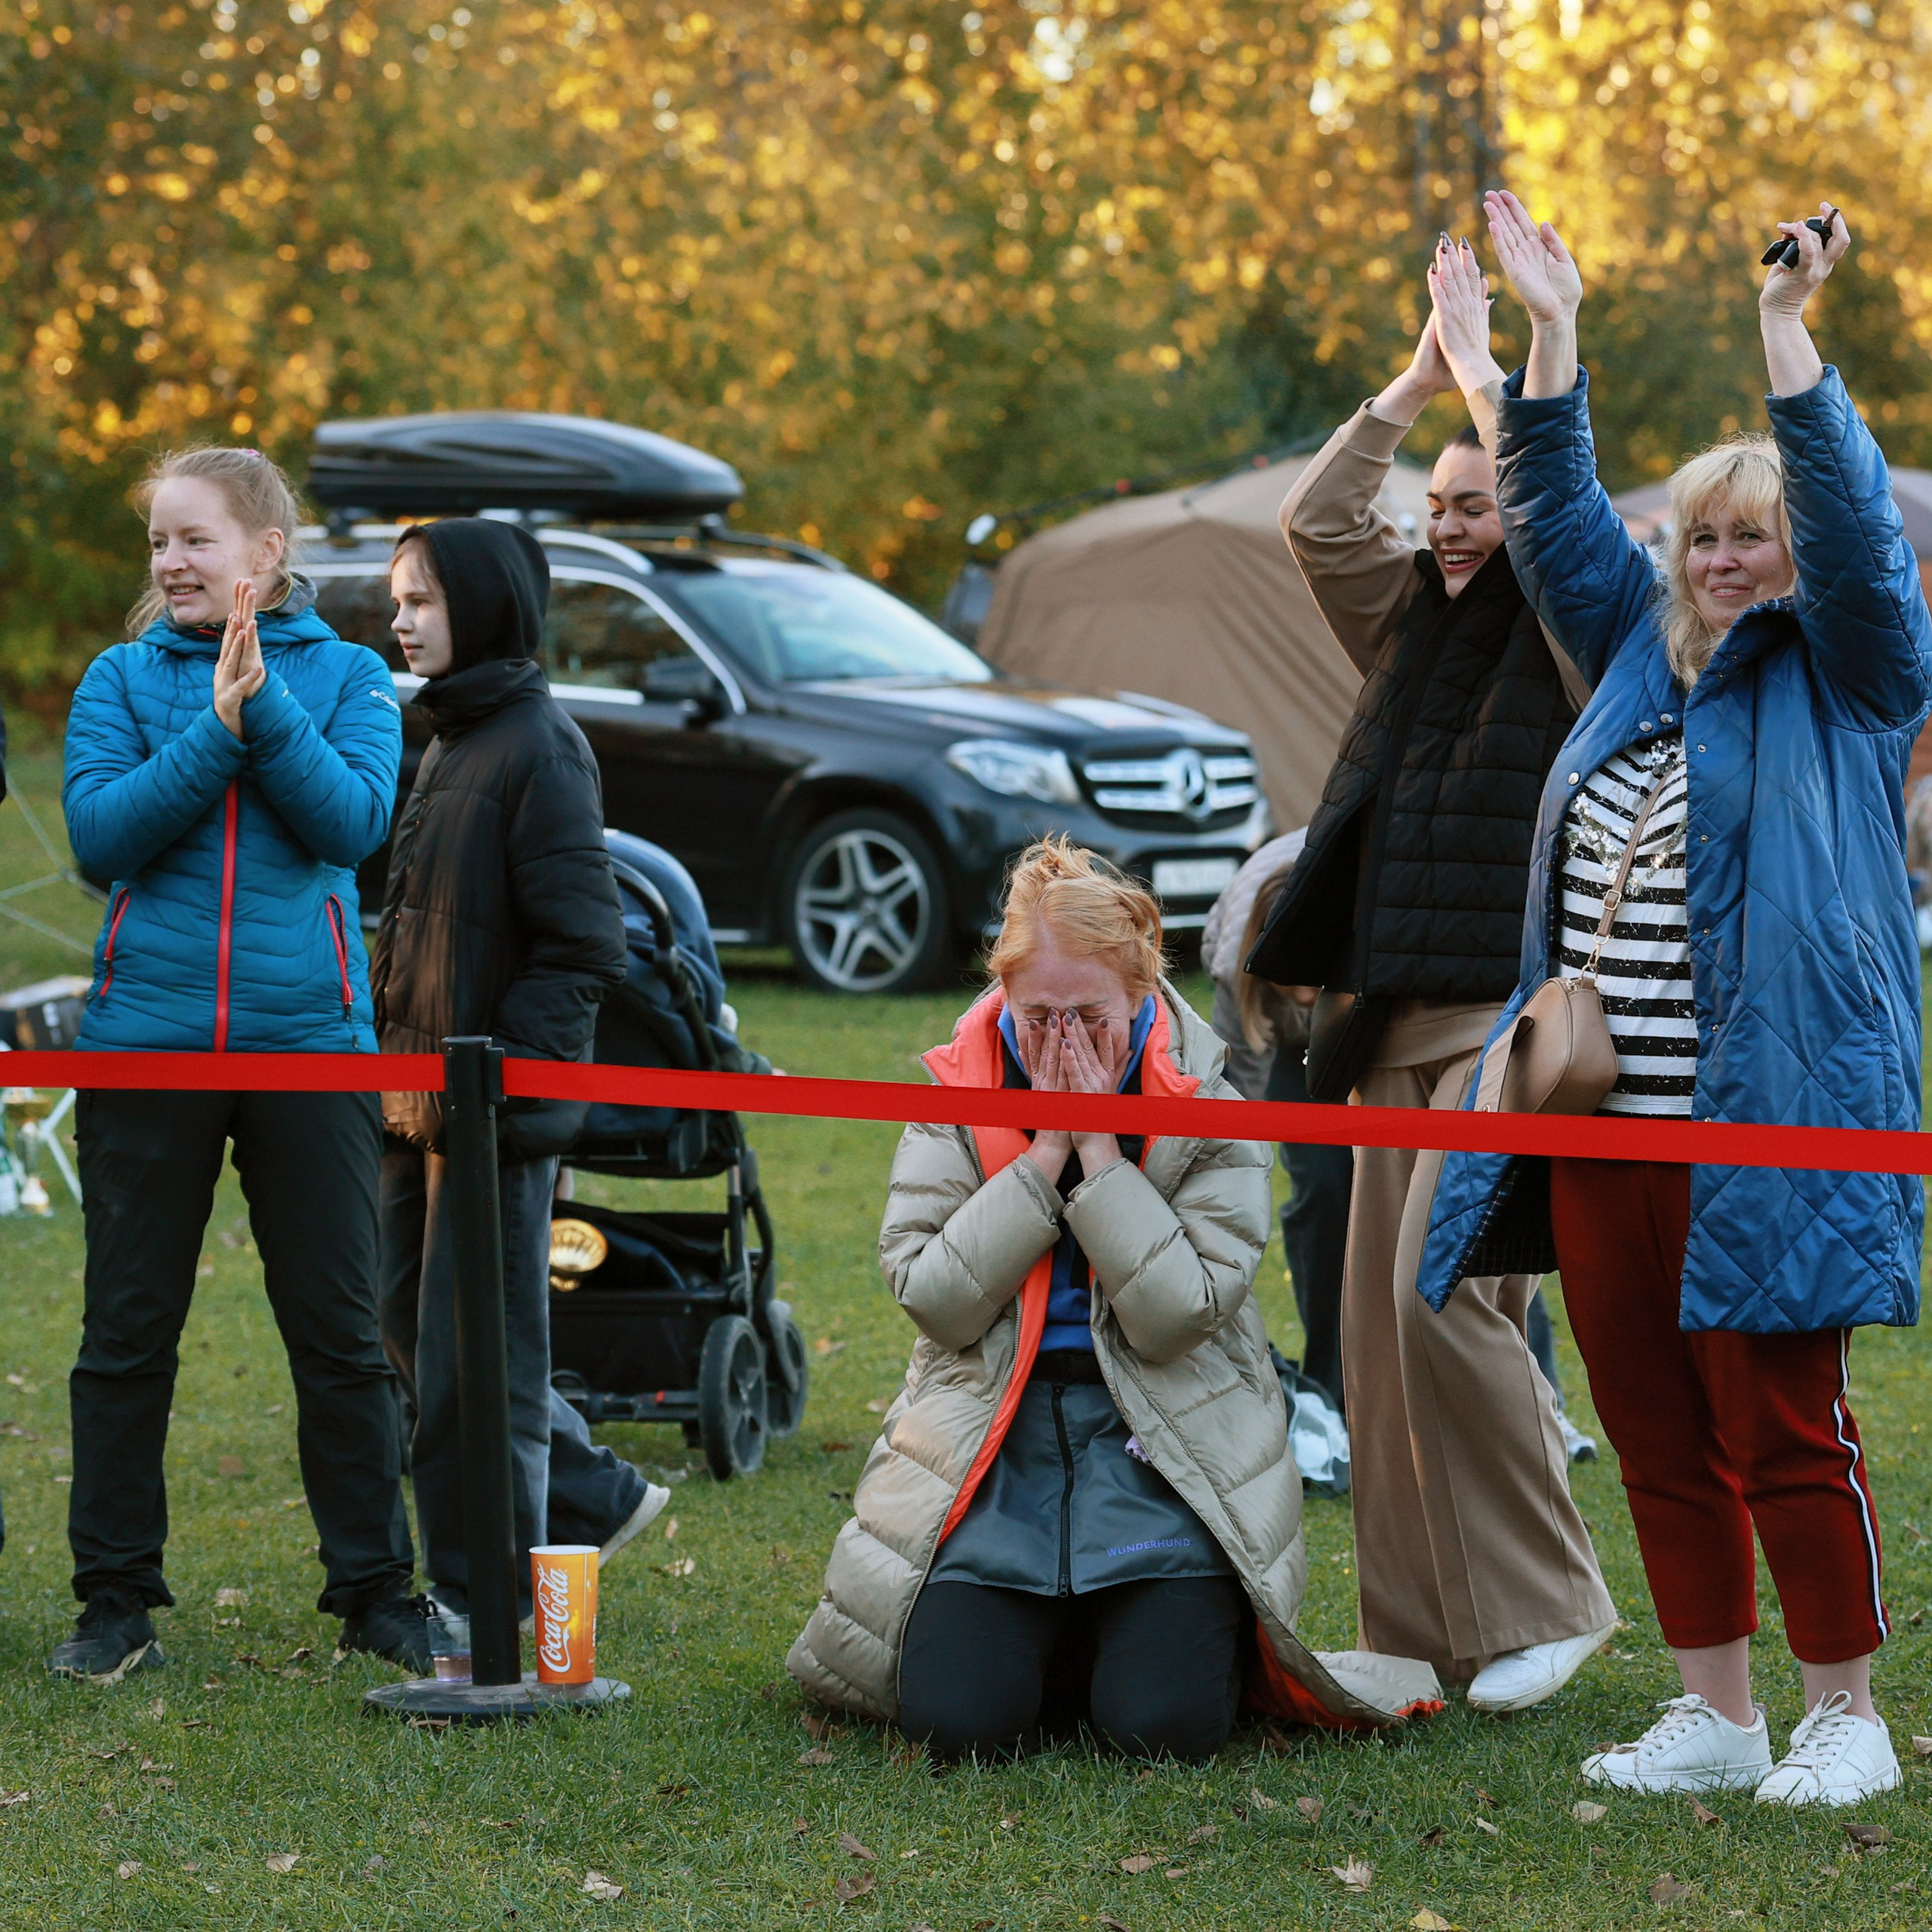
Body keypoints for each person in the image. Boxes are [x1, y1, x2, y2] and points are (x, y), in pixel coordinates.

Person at [1423, 197, 1929, 1805]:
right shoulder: (1638, 662)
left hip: (1765, 1123)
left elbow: (1853, 532)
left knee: (1786, 1421)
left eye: (1744, 536)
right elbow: (1557, 515)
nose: (1718, 560)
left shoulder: (1853, 674)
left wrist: (1786, 342)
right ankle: (1713, 1706)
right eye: (1700, 536)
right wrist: (1545, 340)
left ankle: (1842, 1712)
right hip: (1602, 1127)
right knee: (1649, 1423)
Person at [786, 838, 1441, 1761]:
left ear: (1140, 996)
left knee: (1164, 1727)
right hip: (995, 1429)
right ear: (1002, 996)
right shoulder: (958, 1086)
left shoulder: (1208, 1094)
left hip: (1162, 1432)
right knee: (961, 1724)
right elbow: (934, 1297)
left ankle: (1125, 1630)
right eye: (1036, 1016)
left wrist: (1098, 1159)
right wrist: (1043, 1156)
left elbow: (1177, 1315)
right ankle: (1048, 1633)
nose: (1061, 1043)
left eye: (1089, 1016)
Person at [1244, 255, 1615, 1712]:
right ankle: (1417, 1630)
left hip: (1509, 1019)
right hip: (1382, 1018)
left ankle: (1553, 1600)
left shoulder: (1579, 634)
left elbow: (1563, 531)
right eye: (1443, 506)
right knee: (1375, 1337)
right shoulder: (1406, 622)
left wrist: (1507, 382)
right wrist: (1409, 388)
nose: (1451, 530)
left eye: (1477, 507)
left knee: (1447, 1297)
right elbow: (1317, 517)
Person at [55, 447, 421, 1679]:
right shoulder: (116, 677)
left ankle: (376, 1592)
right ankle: (112, 1605)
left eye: (196, 540)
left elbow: (351, 827)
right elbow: (102, 840)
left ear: (268, 553)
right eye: (159, 541)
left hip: (309, 1050)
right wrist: (214, 732)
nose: (171, 562)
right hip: (141, 1051)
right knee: (126, 1336)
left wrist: (261, 706)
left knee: (338, 1333)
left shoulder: (355, 677)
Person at [371, 518, 655, 1626]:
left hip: (488, 1118)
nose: (399, 619)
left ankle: (484, 1602)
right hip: (411, 1101)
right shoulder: (449, 737)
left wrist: (502, 1081)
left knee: (472, 1370)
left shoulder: (540, 744)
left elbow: (587, 942)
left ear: (483, 608)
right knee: (409, 1331)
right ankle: (596, 1493)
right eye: (396, 599)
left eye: (421, 600)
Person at [1201, 830, 1351, 1413]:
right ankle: (1326, 1385)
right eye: (1297, 986)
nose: (1308, 997)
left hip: (1371, 1000)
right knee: (1321, 1188)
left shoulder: (1355, 911)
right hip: (1278, 1032)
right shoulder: (1231, 963)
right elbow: (1234, 1105)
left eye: (1315, 984)